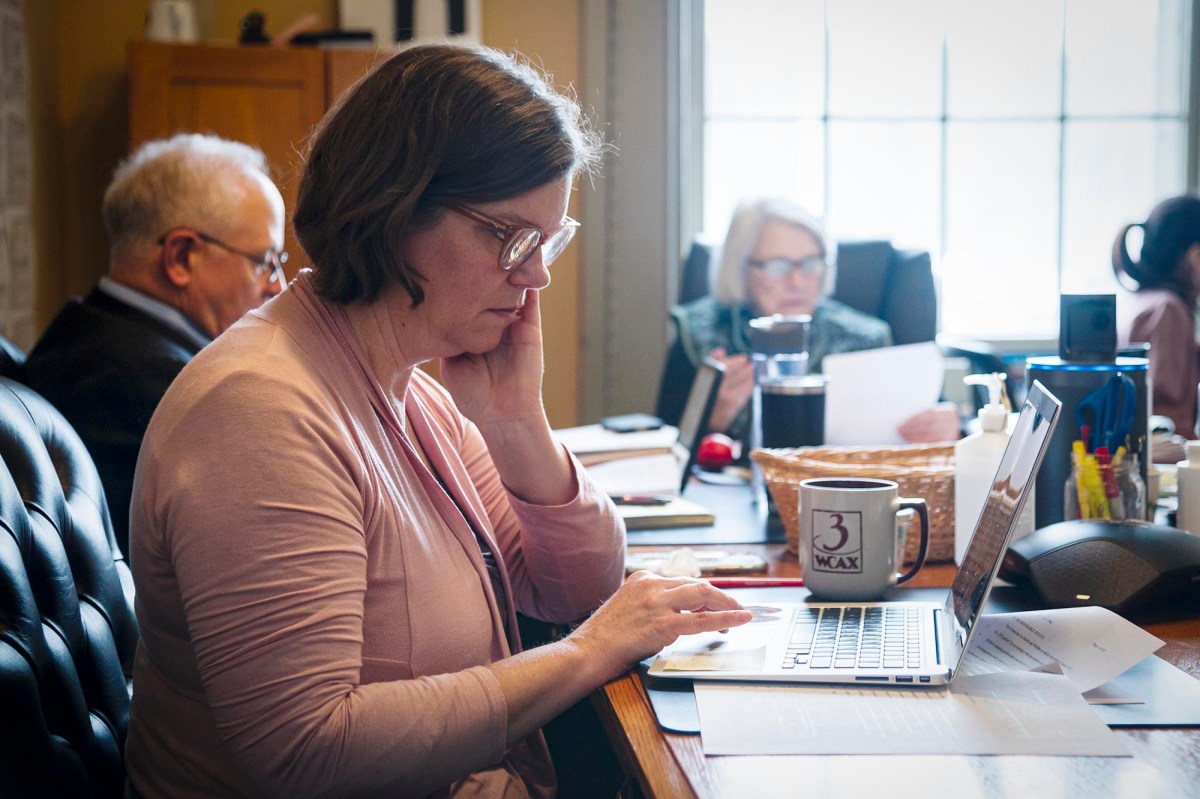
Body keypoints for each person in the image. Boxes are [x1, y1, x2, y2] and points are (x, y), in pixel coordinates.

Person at [124, 44, 751, 798]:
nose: (537, 274)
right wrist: (587, 653)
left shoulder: (412, 388)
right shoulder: (260, 411)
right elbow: (309, 749)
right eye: (509, 237)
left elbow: (578, 586)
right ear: (391, 208)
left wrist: (520, 428)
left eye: (548, 240)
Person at [23, 133, 286, 555]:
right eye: (265, 262)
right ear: (182, 257)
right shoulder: (170, 385)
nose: (278, 287)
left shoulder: (79, 331)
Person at [656, 197, 960, 450]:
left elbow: (935, 416)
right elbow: (663, 444)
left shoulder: (866, 336)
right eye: (778, 266)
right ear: (741, 267)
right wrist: (710, 416)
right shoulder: (698, 331)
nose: (797, 281)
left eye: (811, 264)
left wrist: (945, 426)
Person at [1113, 194, 1200, 438]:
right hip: (1165, 459)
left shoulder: (1139, 300)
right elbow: (1165, 416)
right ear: (1195, 256)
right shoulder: (1168, 309)